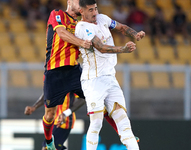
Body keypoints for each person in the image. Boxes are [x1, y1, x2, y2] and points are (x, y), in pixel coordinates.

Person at [74, 0, 145, 149]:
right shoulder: (82, 27)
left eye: (95, 9)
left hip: (110, 78)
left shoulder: (102, 18)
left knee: (123, 120)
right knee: (97, 122)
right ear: (82, 11)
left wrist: (135, 34)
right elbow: (100, 48)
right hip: (93, 80)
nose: (95, 13)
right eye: (90, 10)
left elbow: (121, 27)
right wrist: (123, 49)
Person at [42, 0, 91, 149]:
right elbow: (62, 33)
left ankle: (124, 131)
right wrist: (82, 42)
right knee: (49, 114)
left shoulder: (81, 25)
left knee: (95, 95)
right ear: (69, 1)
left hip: (73, 70)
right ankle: (49, 141)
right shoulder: (57, 14)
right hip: (54, 71)